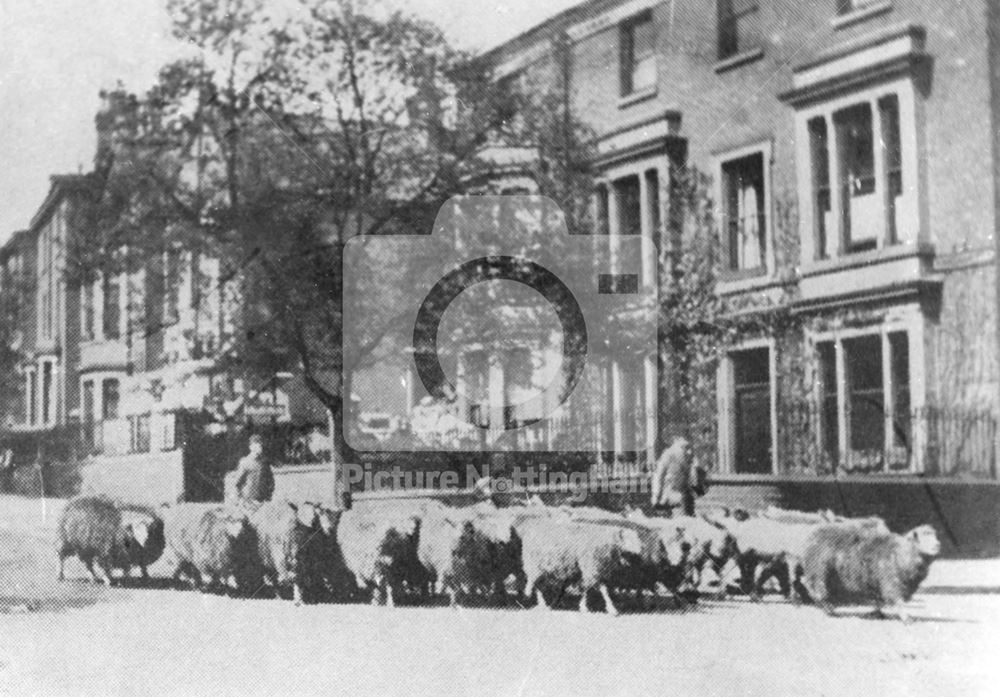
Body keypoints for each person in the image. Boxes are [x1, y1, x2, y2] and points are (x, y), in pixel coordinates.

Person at [650, 436, 708, 515]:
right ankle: (686, 517)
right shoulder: (668, 457)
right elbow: (659, 477)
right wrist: (656, 496)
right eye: (686, 448)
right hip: (668, 493)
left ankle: (689, 516)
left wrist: (698, 471)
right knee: (686, 497)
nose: (689, 452)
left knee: (688, 496)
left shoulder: (687, 462)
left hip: (682, 492)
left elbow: (694, 483)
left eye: (690, 448)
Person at [232, 434, 275, 503]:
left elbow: (271, 482)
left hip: (262, 502)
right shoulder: (245, 462)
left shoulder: (265, 463)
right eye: (257, 445)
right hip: (249, 502)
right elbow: (237, 484)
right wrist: (239, 499)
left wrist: (268, 497)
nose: (259, 448)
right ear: (251, 447)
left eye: (260, 446)